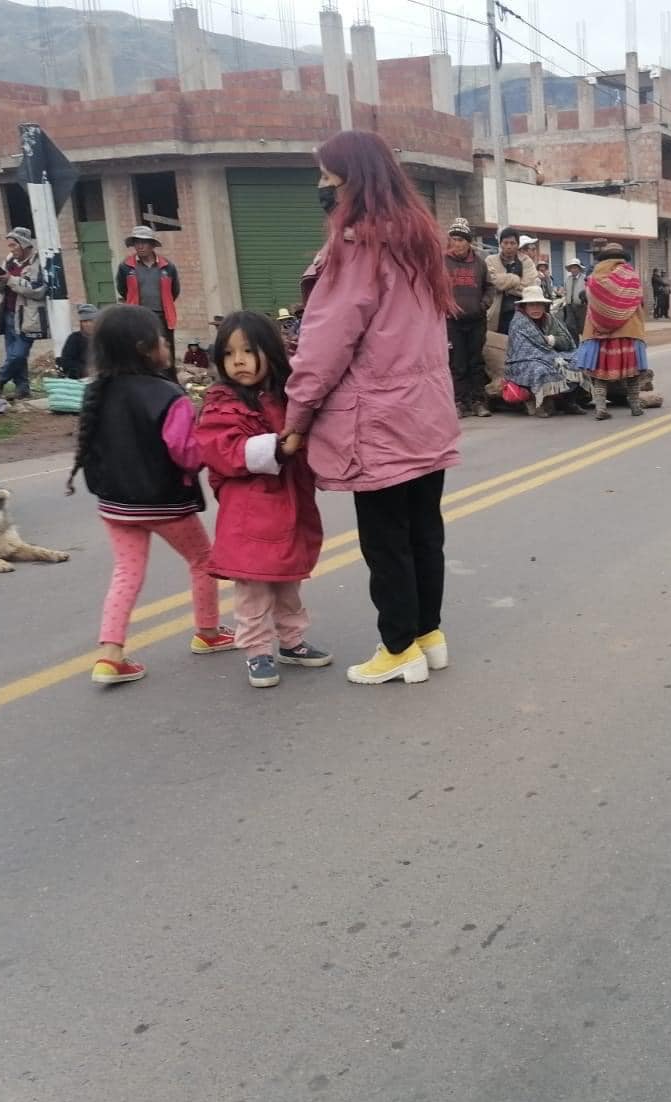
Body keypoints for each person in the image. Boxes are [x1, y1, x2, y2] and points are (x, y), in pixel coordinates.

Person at [282, 128, 460, 686]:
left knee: (386, 541)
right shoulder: (419, 242)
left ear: (351, 180)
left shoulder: (357, 247)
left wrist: (296, 418)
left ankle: (397, 648)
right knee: (423, 532)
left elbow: (325, 344)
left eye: (327, 176)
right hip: (425, 410)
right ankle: (428, 636)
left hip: (375, 416)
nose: (321, 186)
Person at [65, 304, 233, 686]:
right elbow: (186, 453)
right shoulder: (168, 395)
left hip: (115, 506)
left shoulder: (97, 393)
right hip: (166, 504)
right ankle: (208, 632)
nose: (165, 343)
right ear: (145, 347)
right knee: (202, 559)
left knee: (127, 571)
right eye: (159, 337)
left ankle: (110, 655)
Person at [195, 311, 329, 688]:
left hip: (288, 505)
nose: (238, 360)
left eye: (249, 351)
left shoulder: (285, 397)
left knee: (287, 579)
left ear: (270, 352)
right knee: (253, 585)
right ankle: (256, 650)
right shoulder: (222, 403)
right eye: (229, 353)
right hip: (248, 513)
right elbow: (222, 449)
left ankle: (292, 641)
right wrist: (278, 447)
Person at [573, 241, 649, 420]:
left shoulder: (594, 276)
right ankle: (635, 406)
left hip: (600, 333)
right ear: (622, 257)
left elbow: (588, 299)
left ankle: (600, 408)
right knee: (633, 373)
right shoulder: (631, 275)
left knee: (600, 374)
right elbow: (639, 300)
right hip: (628, 331)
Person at [504, 284, 585, 418]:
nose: (536, 308)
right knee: (539, 369)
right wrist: (548, 353)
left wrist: (552, 340)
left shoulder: (550, 319)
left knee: (578, 360)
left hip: (552, 354)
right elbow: (523, 350)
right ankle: (539, 403)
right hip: (522, 360)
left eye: (539, 305)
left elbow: (567, 341)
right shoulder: (518, 322)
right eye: (531, 305)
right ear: (524, 307)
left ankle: (569, 402)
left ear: (544, 306)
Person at [0, 226, 48, 400]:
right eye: (10, 246)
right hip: (8, 312)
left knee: (18, 353)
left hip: (28, 316)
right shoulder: (8, 261)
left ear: (24, 245)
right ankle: (22, 388)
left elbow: (37, 290)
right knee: (14, 354)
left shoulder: (37, 262)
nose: (11, 250)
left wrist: (10, 279)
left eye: (14, 246)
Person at [445, 216, 492, 418]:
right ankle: (459, 402)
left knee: (476, 362)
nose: (457, 244)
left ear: (469, 242)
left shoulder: (480, 264)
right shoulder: (442, 262)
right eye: (454, 239)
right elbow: (433, 287)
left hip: (476, 321)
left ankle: (478, 401)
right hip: (452, 322)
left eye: (461, 240)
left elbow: (490, 287)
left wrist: (483, 305)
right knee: (457, 363)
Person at [115, 227, 181, 365]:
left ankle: (170, 381)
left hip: (163, 316)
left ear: (152, 244)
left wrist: (164, 303)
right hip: (138, 316)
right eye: (136, 242)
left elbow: (174, 291)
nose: (139, 246)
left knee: (166, 352)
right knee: (142, 351)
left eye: (143, 242)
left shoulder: (168, 267)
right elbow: (123, 290)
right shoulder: (125, 267)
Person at [485, 226, 536, 336]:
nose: (509, 246)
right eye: (505, 243)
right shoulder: (490, 260)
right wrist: (515, 279)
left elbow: (528, 288)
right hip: (496, 314)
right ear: (500, 244)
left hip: (522, 313)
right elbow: (492, 282)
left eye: (512, 243)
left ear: (517, 245)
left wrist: (504, 287)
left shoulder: (526, 262)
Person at [56, 303, 98, 378]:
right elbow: (66, 362)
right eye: (85, 321)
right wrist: (84, 369)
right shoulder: (74, 339)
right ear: (81, 323)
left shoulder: (104, 337)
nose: (88, 324)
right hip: (81, 378)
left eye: (91, 321)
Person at [562, 257, 588, 338]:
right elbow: (565, 291)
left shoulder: (585, 279)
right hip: (570, 305)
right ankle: (575, 345)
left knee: (582, 326)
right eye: (572, 268)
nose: (573, 270)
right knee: (570, 325)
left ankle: (584, 343)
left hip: (581, 306)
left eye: (575, 267)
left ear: (579, 268)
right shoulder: (567, 279)